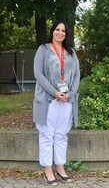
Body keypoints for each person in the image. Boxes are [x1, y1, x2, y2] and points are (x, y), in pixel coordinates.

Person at [33, 20, 80, 185]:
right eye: (57, 29)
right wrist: (54, 92)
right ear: (52, 31)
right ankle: (47, 171)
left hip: (66, 100)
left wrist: (71, 93)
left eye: (63, 31)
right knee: (47, 134)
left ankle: (60, 168)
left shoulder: (71, 52)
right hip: (48, 99)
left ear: (66, 34)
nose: (60, 33)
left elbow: (76, 76)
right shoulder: (43, 49)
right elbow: (38, 74)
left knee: (61, 135)